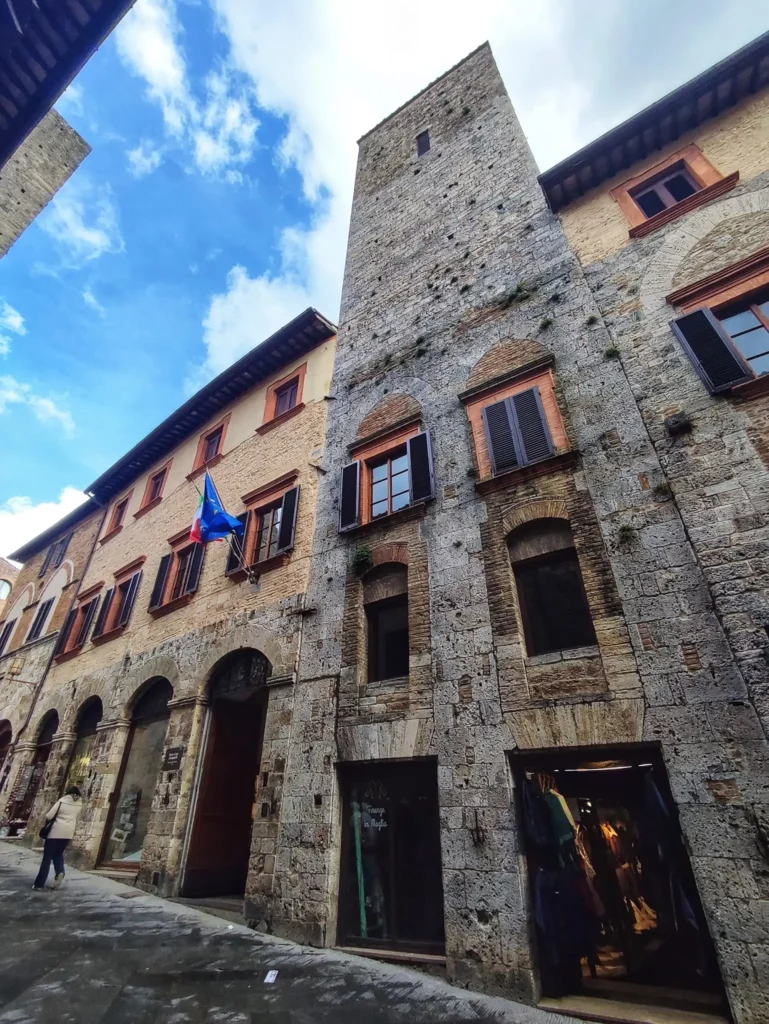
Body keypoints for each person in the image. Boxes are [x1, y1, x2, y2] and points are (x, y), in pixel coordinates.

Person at [32, 786, 82, 891]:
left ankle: (39, 884)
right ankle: (60, 872)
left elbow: (49, 816)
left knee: (47, 858)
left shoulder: (62, 801)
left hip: (55, 831)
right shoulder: (79, 803)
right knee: (58, 854)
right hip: (68, 833)